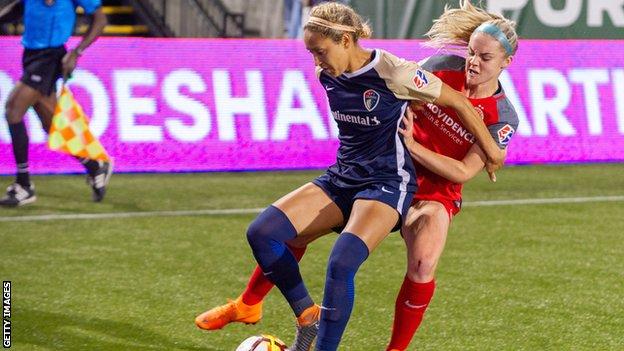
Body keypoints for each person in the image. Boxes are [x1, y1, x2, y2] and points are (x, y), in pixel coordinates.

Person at [196, 2, 505, 351]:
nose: (316, 61)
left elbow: (461, 103)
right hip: (343, 176)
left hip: (387, 182)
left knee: (342, 262)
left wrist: (493, 152)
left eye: (320, 51)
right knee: (263, 233)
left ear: (345, 40)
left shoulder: (393, 70)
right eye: (311, 52)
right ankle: (305, 316)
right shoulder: (326, 72)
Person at [387, 2, 519, 349]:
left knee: (423, 262)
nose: (473, 62)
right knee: (314, 232)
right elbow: (402, 92)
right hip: (388, 170)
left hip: (435, 192)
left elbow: (462, 171)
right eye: (471, 53)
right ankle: (252, 301)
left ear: (506, 63)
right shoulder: (444, 66)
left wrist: (414, 145)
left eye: (485, 58)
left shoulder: (503, 117)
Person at [0, 0, 110, 207]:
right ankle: (95, 165)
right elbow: (20, 7)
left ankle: (24, 185)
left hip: (50, 56)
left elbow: (100, 19)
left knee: (13, 110)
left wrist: (77, 52)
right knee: (50, 124)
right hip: (31, 54)